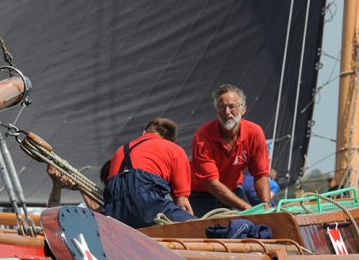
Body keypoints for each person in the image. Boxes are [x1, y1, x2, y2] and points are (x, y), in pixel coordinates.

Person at [188, 84, 272, 216]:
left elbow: (261, 175)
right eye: (222, 107)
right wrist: (246, 207)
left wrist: (266, 205)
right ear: (217, 110)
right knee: (202, 231)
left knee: (254, 225)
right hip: (200, 194)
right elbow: (212, 184)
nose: (227, 112)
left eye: (232, 106)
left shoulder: (255, 133)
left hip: (232, 189)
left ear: (243, 109)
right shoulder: (203, 136)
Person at [101, 117, 196, 228]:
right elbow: (182, 203)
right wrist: (194, 225)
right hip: (147, 204)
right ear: (170, 140)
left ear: (144, 133)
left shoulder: (119, 150)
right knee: (206, 230)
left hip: (114, 211)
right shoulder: (174, 149)